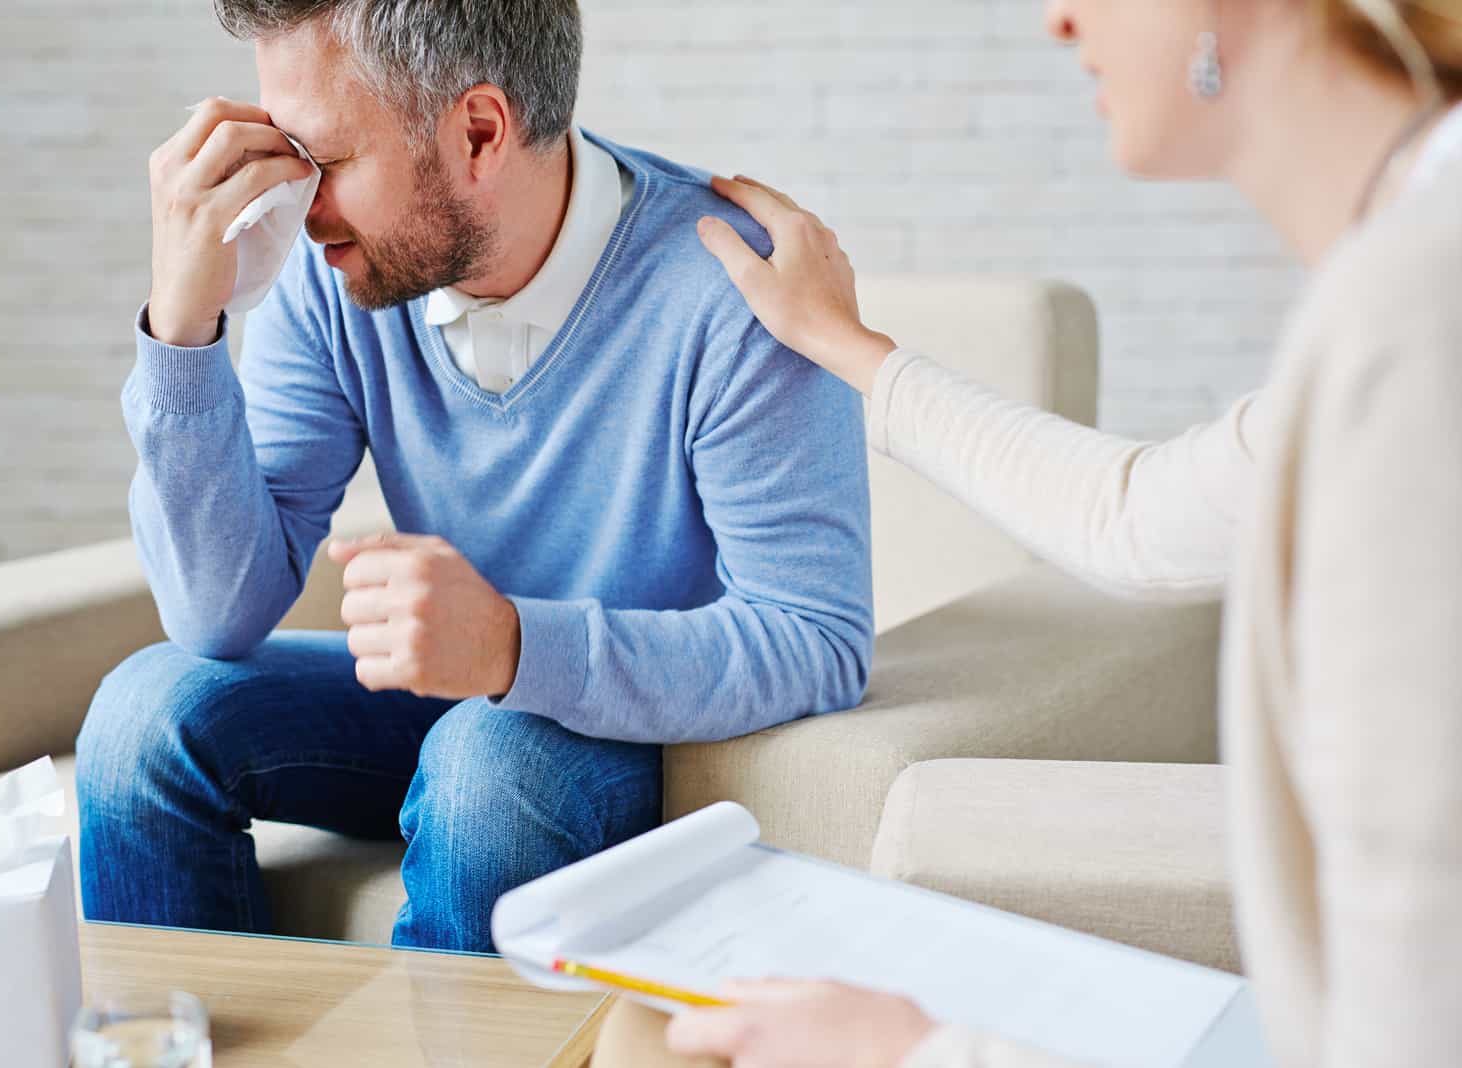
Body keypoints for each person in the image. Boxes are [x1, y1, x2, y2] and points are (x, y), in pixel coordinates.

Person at [593, 0, 1462, 1065]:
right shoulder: (1431, 256)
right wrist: (848, 347)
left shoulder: (1443, 302)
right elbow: (1132, 514)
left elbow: (1441, 1011)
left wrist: (912, 1056)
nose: (1060, 19)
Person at [74, 0, 874, 954]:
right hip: (454, 705)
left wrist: (510, 646)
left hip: (650, 731)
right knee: (141, 717)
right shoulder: (329, 276)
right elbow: (216, 615)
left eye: (322, 161)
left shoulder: (735, 290)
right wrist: (183, 327)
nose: (297, 203)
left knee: (486, 764)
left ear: (479, 133)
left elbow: (817, 638)